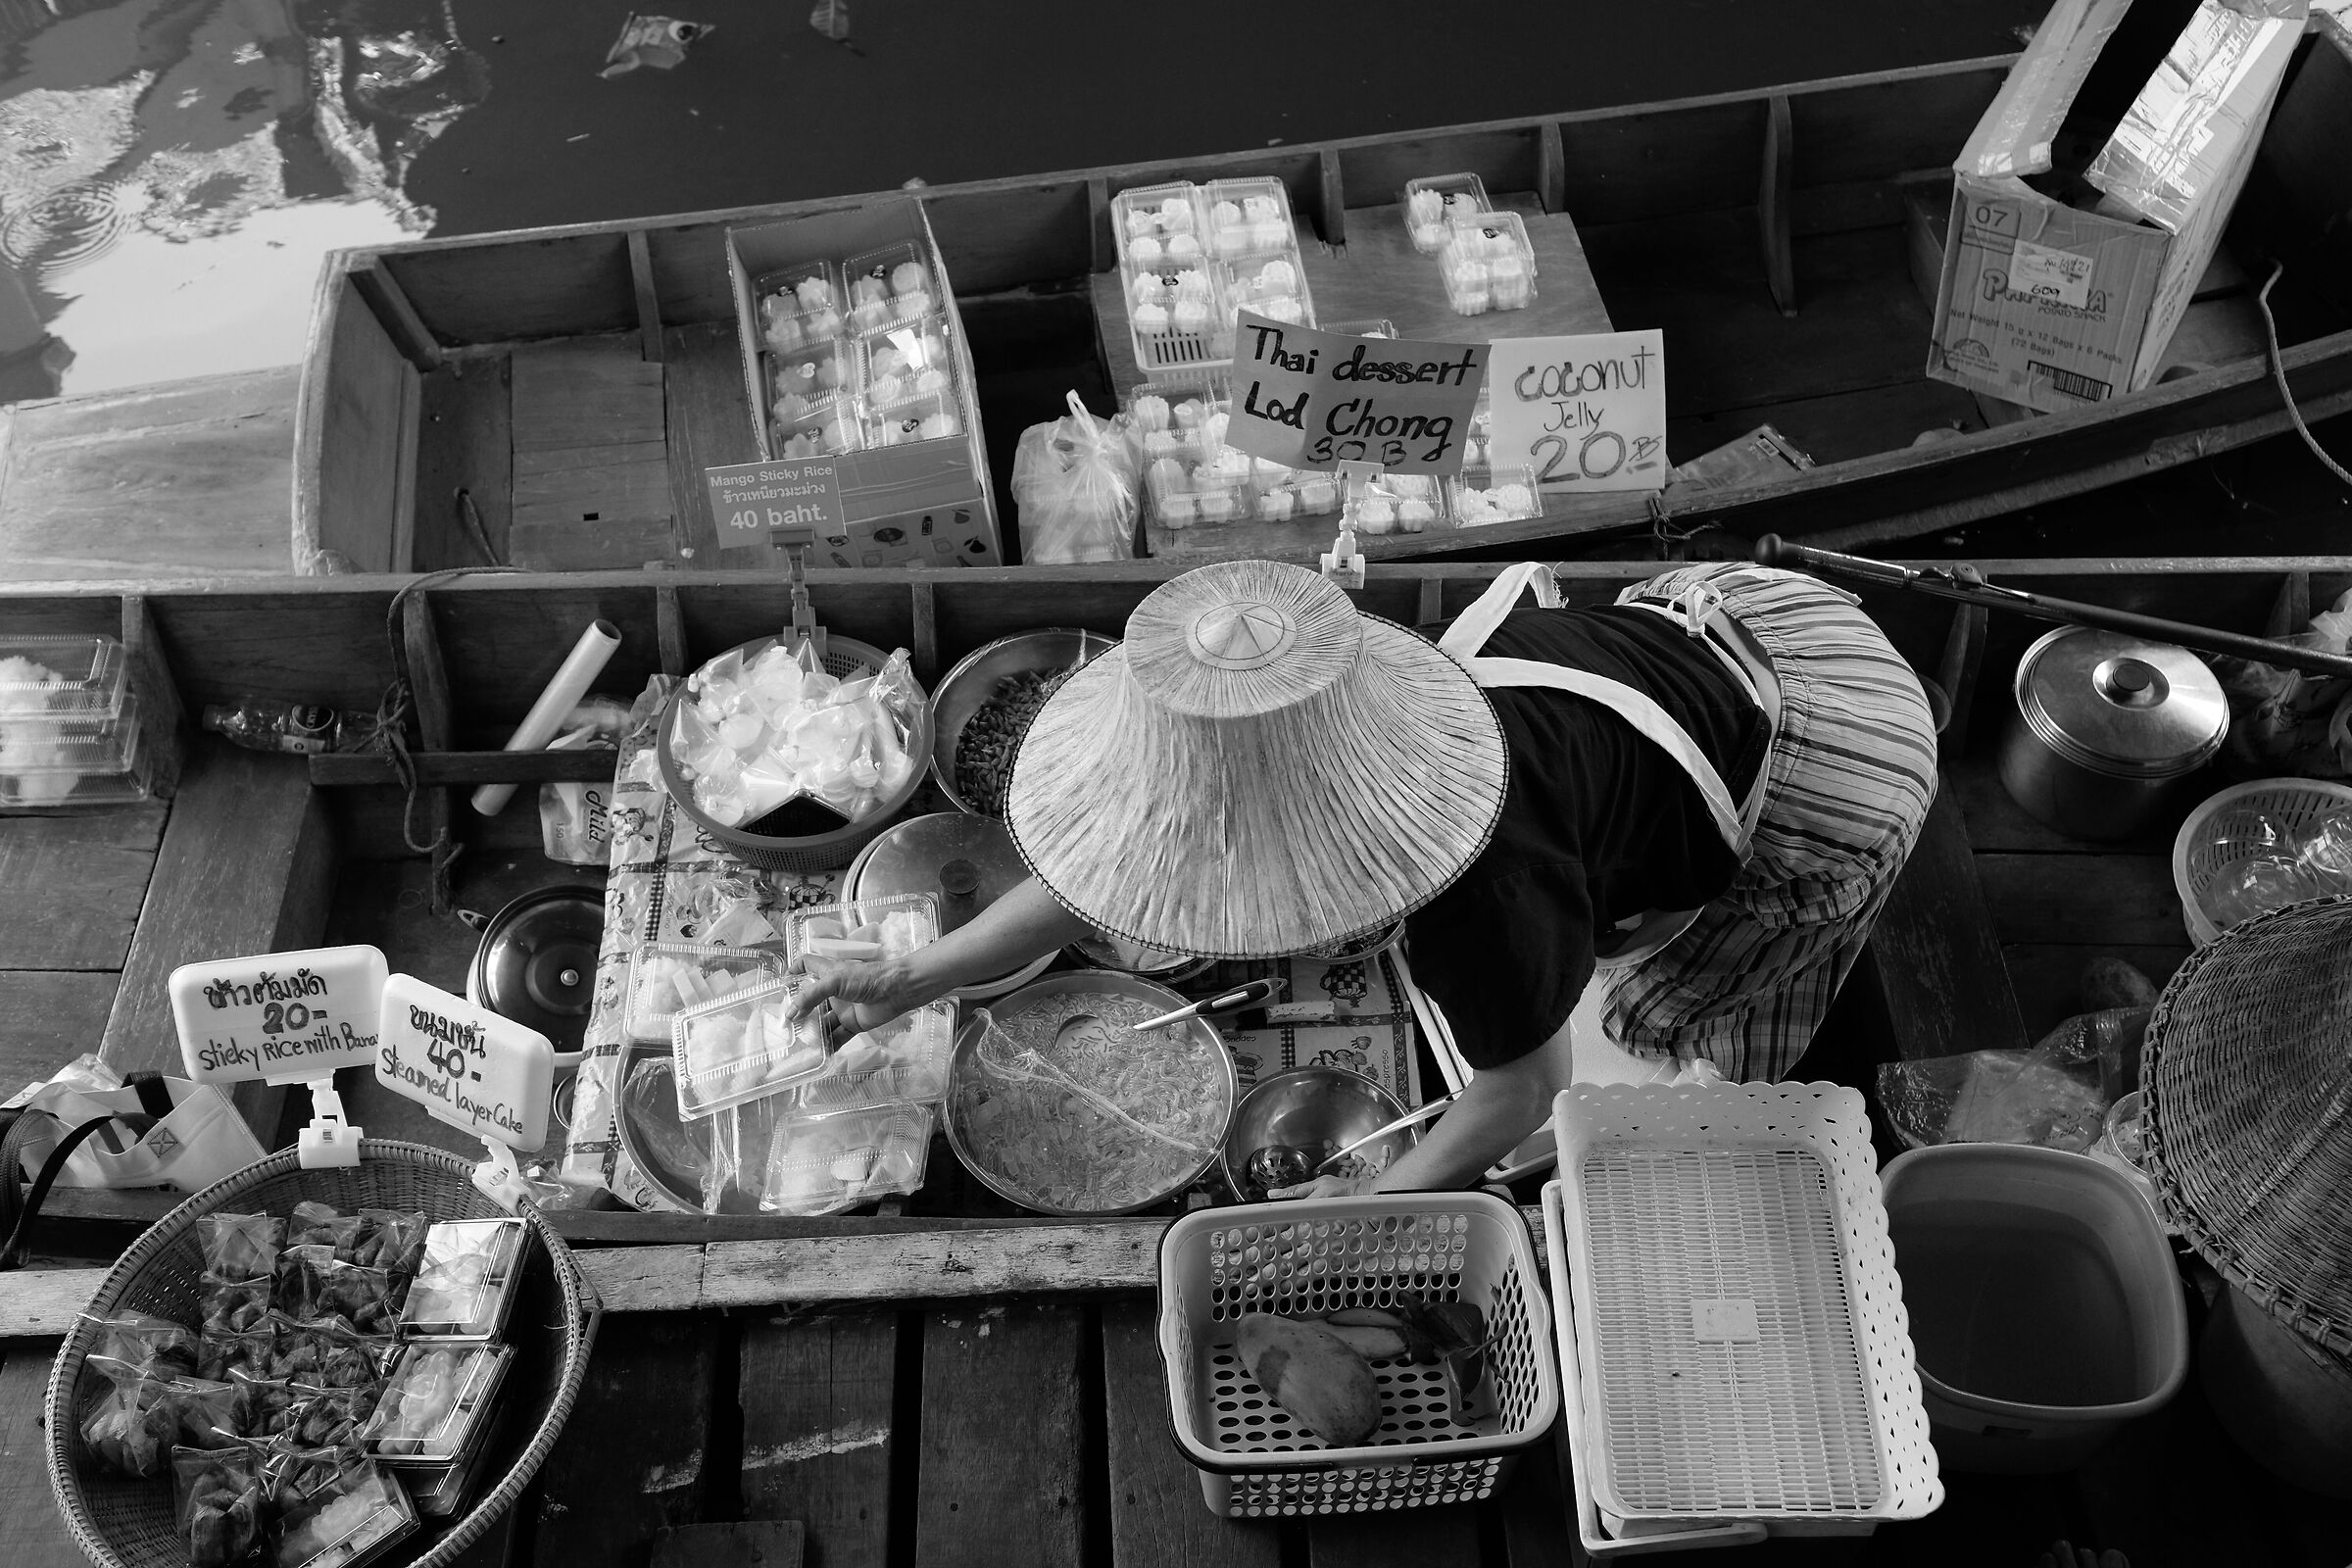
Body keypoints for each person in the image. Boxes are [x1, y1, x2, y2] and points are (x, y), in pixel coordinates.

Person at [788, 557, 1936, 1197]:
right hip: (1728, 614)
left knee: (1676, 1018)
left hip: (1839, 750)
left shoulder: (1468, 891)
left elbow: (1520, 1090)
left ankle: (1732, 1139)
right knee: (1604, 922)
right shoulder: (1333, 697)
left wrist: (1371, 1208)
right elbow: (1098, 883)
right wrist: (905, 980)